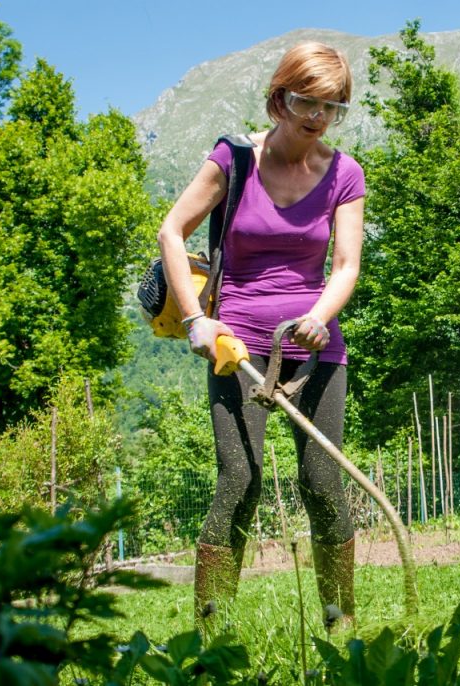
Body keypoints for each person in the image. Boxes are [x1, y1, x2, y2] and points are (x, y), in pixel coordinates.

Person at [156, 41, 364, 631]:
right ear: (280, 97)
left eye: (332, 106)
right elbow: (172, 231)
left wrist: (322, 314)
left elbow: (345, 265)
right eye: (306, 101)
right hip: (237, 346)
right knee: (239, 479)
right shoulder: (233, 160)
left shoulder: (345, 172)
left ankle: (340, 623)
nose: (317, 116)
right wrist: (198, 319)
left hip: (317, 346)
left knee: (323, 482)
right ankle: (211, 628)